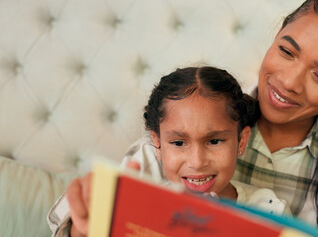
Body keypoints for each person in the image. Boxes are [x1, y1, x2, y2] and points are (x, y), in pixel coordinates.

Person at [49, 0, 318, 236]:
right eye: (286, 51)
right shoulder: (193, 122)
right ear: (276, 36)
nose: (289, 82)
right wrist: (84, 225)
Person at [48, 66, 290, 237]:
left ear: (241, 142)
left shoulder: (270, 210)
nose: (196, 162)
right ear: (158, 144)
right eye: (178, 143)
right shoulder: (138, 211)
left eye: (214, 141)